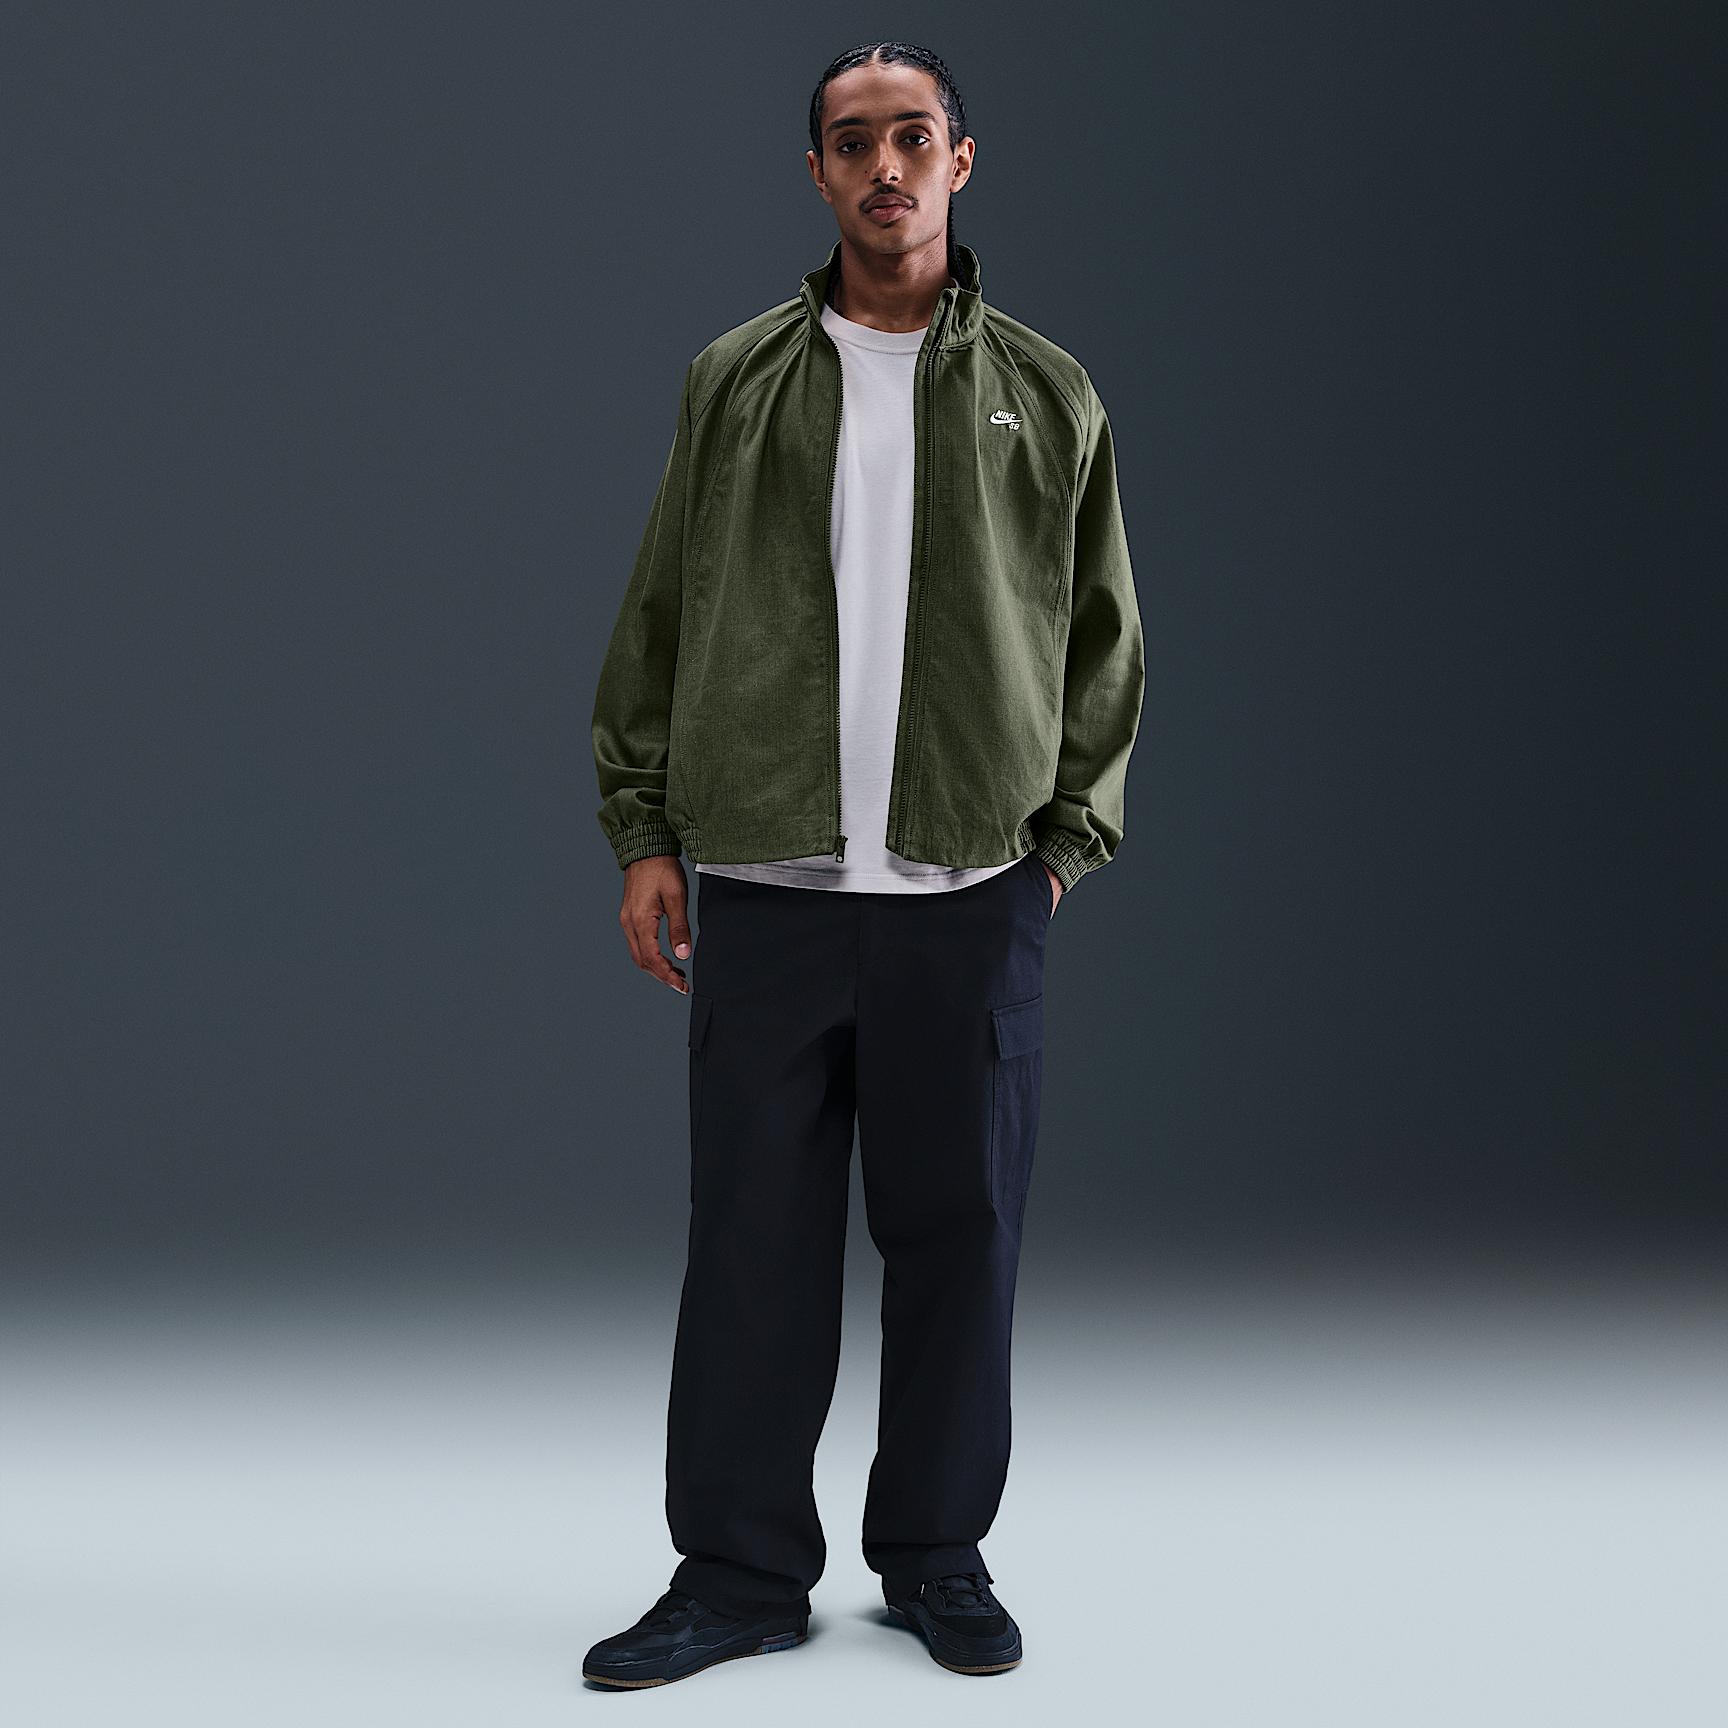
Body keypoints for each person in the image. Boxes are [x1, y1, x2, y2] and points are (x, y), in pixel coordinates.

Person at [582, 40, 1145, 1688]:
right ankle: (737, 1572)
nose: (883, 166)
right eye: (851, 142)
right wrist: (647, 832)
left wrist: (1058, 849)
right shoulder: (736, 381)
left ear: (960, 160)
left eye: (912, 137)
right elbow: (659, 612)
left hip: (970, 893)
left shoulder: (1047, 392)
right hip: (767, 886)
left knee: (960, 1238)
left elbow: (1104, 638)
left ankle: (936, 1555)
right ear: (818, 172)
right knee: (749, 1250)